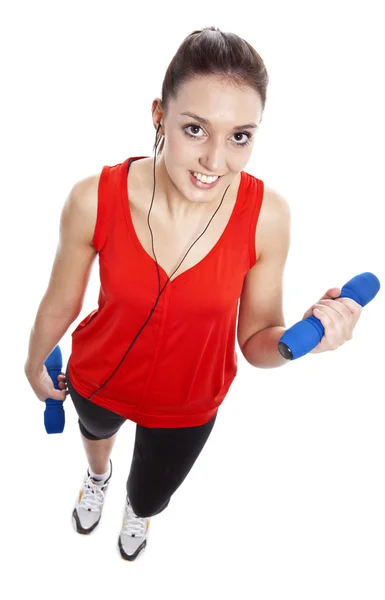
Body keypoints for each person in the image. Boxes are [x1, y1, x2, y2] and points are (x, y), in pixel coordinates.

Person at [24, 26, 362, 562]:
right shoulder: (94, 198)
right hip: (97, 375)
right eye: (195, 129)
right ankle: (98, 476)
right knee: (95, 436)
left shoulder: (267, 216)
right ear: (159, 116)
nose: (215, 161)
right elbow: (61, 301)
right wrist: (32, 364)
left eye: (240, 137)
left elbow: (254, 341)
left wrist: (307, 340)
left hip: (188, 403)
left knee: (151, 494)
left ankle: (136, 510)